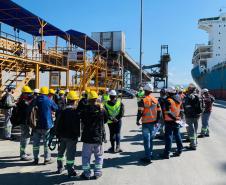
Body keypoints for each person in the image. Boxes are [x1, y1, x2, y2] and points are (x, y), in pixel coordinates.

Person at [80, 91, 107, 180]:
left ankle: (87, 174)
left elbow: (82, 121)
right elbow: (105, 120)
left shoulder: (84, 110)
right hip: (98, 137)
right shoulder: (101, 110)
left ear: (88, 100)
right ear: (97, 99)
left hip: (87, 137)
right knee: (98, 156)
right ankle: (97, 173)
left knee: (86, 156)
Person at [56, 91, 81, 177]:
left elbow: (58, 123)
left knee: (60, 153)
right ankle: (70, 171)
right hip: (71, 137)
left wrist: (58, 135)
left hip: (62, 136)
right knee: (70, 155)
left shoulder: (62, 110)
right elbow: (76, 126)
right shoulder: (75, 112)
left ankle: (59, 167)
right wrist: (77, 135)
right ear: (74, 101)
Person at [32, 86, 58, 165]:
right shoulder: (49, 100)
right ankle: (46, 159)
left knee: (36, 143)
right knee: (46, 143)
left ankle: (36, 159)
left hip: (36, 125)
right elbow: (56, 108)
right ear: (47, 93)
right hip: (46, 125)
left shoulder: (35, 100)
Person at [136, 83, 161, 163]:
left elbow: (140, 111)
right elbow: (159, 111)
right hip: (153, 122)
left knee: (146, 140)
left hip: (146, 122)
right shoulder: (155, 100)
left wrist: (137, 120)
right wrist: (157, 121)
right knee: (151, 140)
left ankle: (147, 157)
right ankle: (150, 154)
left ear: (145, 90)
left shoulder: (142, 100)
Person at [161, 87, 183, 159]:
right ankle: (179, 150)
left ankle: (167, 153)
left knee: (169, 137)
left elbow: (168, 112)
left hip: (170, 121)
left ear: (168, 92)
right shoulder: (179, 99)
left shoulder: (168, 100)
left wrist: (174, 118)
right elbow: (181, 110)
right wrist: (178, 118)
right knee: (177, 135)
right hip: (177, 119)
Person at [183, 83, 203, 150]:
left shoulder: (188, 97)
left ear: (189, 90)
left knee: (191, 131)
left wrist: (186, 113)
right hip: (197, 116)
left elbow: (187, 106)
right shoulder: (198, 96)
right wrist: (198, 113)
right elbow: (201, 106)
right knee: (195, 130)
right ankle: (195, 142)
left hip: (190, 116)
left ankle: (193, 145)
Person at [16, 86, 33, 160]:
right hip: (24, 122)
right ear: (23, 93)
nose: (29, 94)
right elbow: (27, 105)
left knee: (25, 137)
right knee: (25, 137)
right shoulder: (22, 102)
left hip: (25, 122)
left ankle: (23, 151)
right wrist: (32, 99)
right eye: (27, 93)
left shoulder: (23, 100)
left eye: (29, 93)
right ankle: (22, 154)